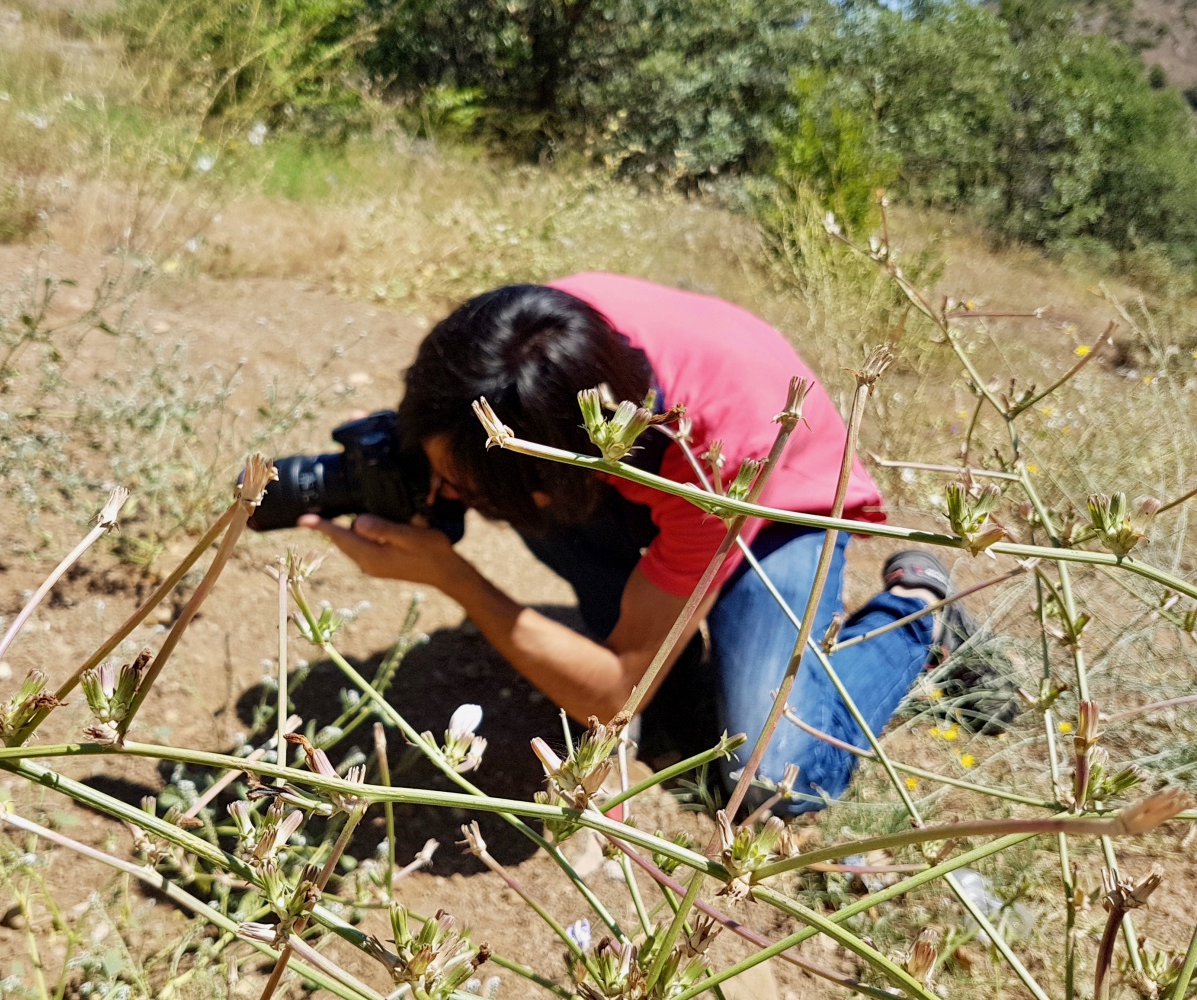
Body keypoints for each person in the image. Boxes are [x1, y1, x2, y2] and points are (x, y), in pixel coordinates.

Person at [300, 273, 1015, 814]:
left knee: (769, 779)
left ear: (564, 472)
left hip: (772, 499)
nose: (455, 500)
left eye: (471, 492)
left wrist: (457, 579)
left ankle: (915, 608)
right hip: (624, 469)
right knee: (672, 695)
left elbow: (614, 698)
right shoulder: (526, 352)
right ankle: (661, 636)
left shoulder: (713, 462)